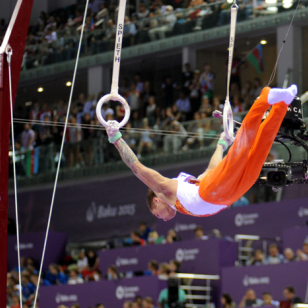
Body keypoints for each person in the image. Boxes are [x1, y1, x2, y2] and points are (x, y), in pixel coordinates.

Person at [106, 85, 298, 220]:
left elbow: (137, 168)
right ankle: (282, 105)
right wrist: (221, 145)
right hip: (227, 195)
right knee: (260, 151)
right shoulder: (187, 185)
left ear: (156, 200)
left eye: (157, 214)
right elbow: (211, 171)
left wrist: (116, 139)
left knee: (242, 147)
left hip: (214, 194)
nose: (162, 219)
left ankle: (264, 99)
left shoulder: (165, 188)